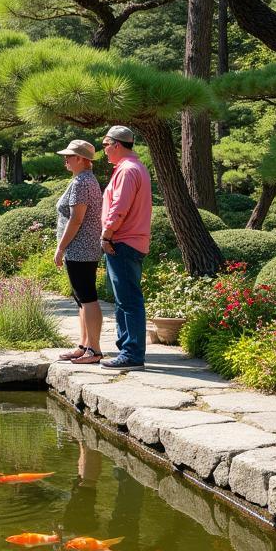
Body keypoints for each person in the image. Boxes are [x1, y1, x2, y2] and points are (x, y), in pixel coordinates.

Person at [99, 125, 153, 371]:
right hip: (129, 241)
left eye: (105, 145)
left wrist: (107, 234)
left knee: (129, 299)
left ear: (116, 144)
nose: (104, 151)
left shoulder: (128, 170)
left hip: (123, 241)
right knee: (124, 299)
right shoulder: (133, 167)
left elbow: (119, 207)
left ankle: (131, 354)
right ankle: (126, 350)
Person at [53, 140, 104, 365]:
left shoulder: (82, 182)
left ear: (82, 159)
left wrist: (61, 247)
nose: (65, 159)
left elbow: (76, 219)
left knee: (87, 297)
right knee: (81, 299)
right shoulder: (83, 180)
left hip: (81, 249)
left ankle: (94, 349)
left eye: (70, 156)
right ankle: (84, 345)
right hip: (82, 249)